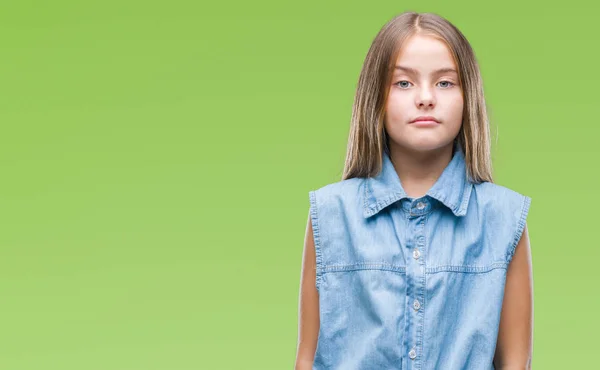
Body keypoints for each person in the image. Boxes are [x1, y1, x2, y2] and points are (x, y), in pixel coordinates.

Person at [295, 11, 533, 370]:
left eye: (445, 83)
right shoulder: (330, 214)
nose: (425, 98)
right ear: (376, 97)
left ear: (469, 96)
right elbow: (306, 359)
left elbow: (516, 363)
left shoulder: (504, 218)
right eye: (404, 83)